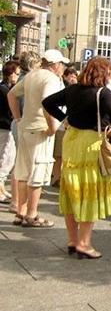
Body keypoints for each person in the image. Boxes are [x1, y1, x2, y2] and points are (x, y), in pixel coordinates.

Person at [43, 57, 111, 259]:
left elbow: (48, 103)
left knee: (72, 191)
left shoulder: (72, 89)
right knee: (89, 192)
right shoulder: (102, 93)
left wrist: (64, 119)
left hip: (72, 141)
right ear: (103, 73)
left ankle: (72, 240)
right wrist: (108, 125)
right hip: (91, 143)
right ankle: (84, 243)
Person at [7, 49, 68, 227]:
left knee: (23, 172)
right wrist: (52, 127)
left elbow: (12, 95)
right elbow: (47, 102)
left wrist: (18, 118)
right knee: (37, 173)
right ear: (55, 65)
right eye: (62, 64)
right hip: (40, 130)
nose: (63, 68)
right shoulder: (51, 79)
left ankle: (21, 212)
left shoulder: (32, 75)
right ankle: (32, 214)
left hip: (25, 128)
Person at [8, 51, 41, 213]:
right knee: (22, 166)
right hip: (23, 124)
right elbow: (13, 97)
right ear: (33, 64)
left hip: (19, 123)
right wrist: (19, 118)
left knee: (19, 164)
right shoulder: (28, 80)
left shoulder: (24, 79)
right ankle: (17, 203)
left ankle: (17, 202)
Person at [0, 60, 21, 203]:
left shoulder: (7, 88)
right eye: (17, 74)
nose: (18, 76)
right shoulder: (4, 89)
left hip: (6, 126)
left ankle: (1, 187)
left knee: (7, 158)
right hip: (4, 126)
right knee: (5, 158)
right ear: (11, 74)